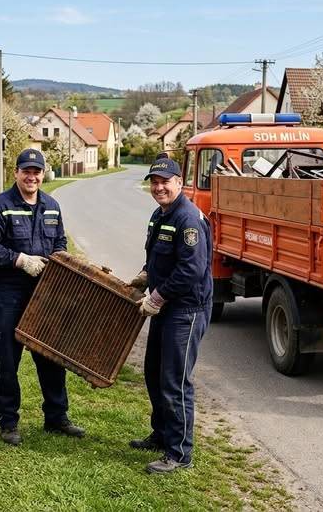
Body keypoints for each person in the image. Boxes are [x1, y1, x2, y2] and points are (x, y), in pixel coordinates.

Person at [0, 148, 85, 445]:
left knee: (50, 355)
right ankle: (8, 421)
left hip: (43, 292)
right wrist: (20, 260)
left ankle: (57, 417)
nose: (32, 176)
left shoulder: (51, 206)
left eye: (37, 171)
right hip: (7, 292)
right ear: (16, 173)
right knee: (8, 358)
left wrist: (61, 260)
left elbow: (59, 242)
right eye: (26, 171)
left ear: (42, 174)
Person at [128, 156, 213, 473]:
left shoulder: (188, 220)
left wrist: (158, 297)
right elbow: (158, 259)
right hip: (164, 306)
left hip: (185, 310)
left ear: (179, 182)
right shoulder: (159, 214)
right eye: (154, 181)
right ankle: (162, 434)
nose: (159, 187)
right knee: (154, 373)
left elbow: (190, 270)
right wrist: (145, 275)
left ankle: (179, 454)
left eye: (165, 181)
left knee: (175, 382)